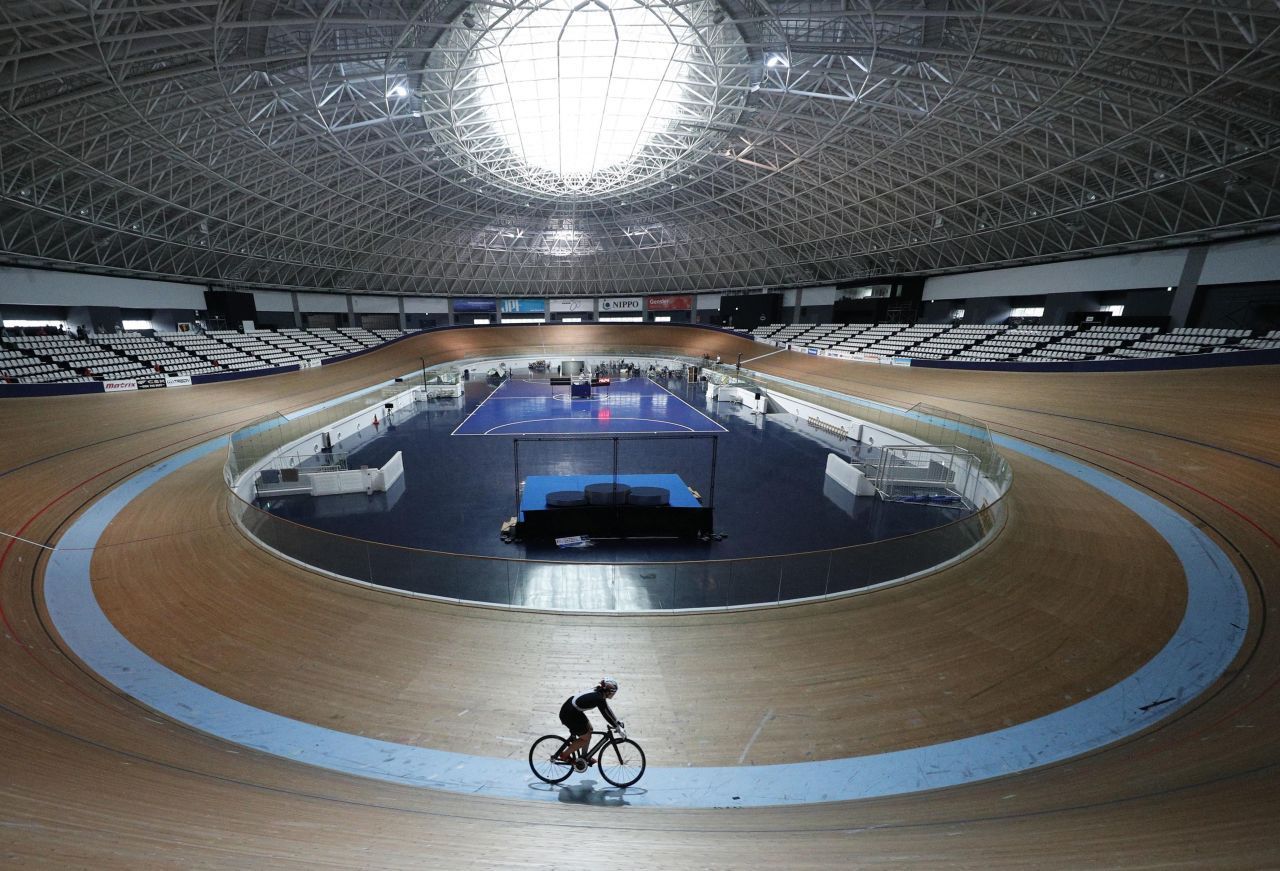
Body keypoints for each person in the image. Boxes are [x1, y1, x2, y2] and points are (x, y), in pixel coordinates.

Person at [554, 678, 623, 765]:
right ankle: (564, 755)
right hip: (569, 714)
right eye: (614, 692)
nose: (614, 694)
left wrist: (617, 722)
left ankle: (584, 757)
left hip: (573, 710)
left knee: (589, 729)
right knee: (586, 738)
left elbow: (607, 709)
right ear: (609, 691)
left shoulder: (599, 693)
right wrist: (616, 725)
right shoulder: (598, 697)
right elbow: (605, 714)